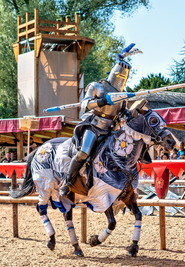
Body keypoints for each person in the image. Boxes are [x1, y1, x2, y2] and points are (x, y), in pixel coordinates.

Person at [59, 43, 142, 197]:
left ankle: (122, 186)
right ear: (114, 73)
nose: (122, 77)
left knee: (122, 154)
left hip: (111, 130)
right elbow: (85, 105)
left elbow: (123, 112)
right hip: (94, 125)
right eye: (120, 74)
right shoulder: (98, 87)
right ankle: (67, 181)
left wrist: (128, 115)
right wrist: (102, 101)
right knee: (84, 152)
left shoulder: (123, 94)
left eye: (125, 75)